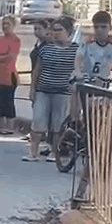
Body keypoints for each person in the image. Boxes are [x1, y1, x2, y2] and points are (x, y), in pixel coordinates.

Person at [26, 16, 78, 163]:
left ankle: (55, 153)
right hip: (43, 90)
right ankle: (33, 152)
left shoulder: (75, 50)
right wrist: (32, 89)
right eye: (54, 30)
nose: (56, 33)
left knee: (58, 124)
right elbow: (37, 71)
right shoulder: (45, 48)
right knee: (38, 121)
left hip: (63, 92)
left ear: (68, 31)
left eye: (59, 30)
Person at [0, 16, 21, 135]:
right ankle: (1, 126)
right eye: (3, 23)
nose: (5, 26)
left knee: (8, 101)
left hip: (8, 75)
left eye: (8, 24)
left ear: (13, 25)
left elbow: (11, 56)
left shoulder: (15, 40)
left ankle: (10, 127)